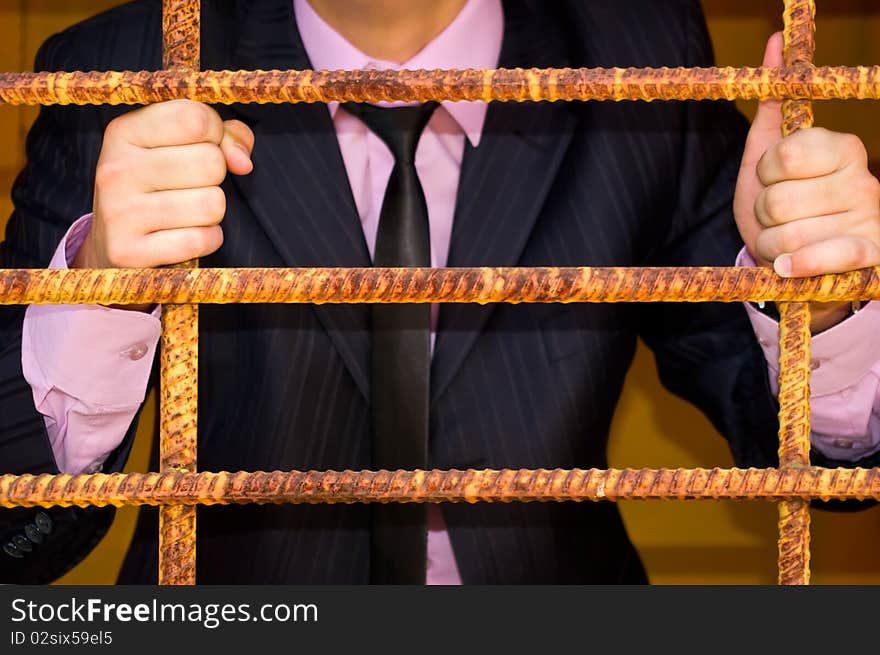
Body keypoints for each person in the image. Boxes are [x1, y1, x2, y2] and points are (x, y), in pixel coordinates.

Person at [2, 0, 880, 584]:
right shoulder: (121, 63)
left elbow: (822, 464)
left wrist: (825, 300)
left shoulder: (640, 50)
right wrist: (101, 294)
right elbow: (18, 539)